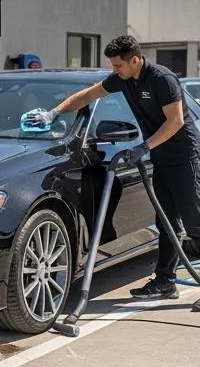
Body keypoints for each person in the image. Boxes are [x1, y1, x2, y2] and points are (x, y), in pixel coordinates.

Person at [26, 34, 200, 299]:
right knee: (166, 222)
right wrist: (54, 113)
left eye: (118, 65)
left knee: (195, 224)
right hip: (161, 158)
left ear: (135, 59)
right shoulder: (122, 78)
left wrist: (144, 146)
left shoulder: (162, 79)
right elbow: (88, 95)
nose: (114, 70)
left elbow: (175, 121)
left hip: (185, 157)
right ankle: (166, 282)